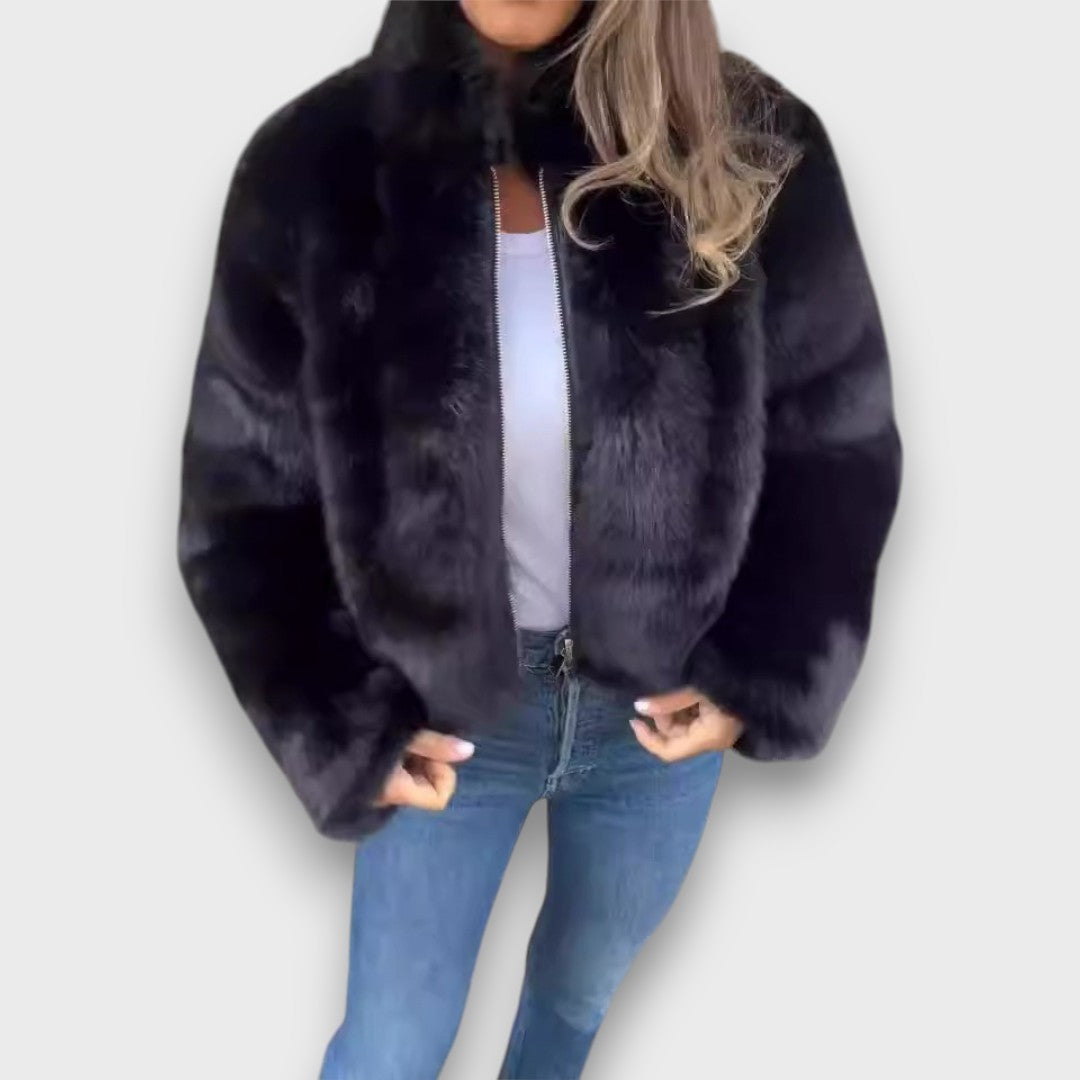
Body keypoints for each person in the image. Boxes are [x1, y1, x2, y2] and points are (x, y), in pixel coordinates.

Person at [176, 0, 903, 1076]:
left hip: (657, 720)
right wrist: (337, 716)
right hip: (443, 720)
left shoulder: (750, 141)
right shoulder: (315, 169)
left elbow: (834, 437)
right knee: (391, 1048)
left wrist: (765, 664)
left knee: (573, 998)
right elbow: (241, 500)